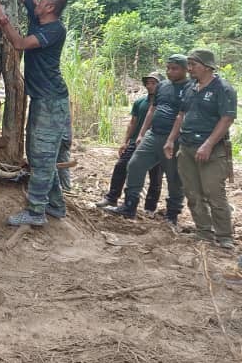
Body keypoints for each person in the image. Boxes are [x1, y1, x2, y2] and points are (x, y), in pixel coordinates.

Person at [0, 0, 70, 227]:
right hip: (42, 99)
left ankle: (36, 213)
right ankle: (56, 206)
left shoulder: (54, 30)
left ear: (49, 8)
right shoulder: (39, 16)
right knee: (39, 154)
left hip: (51, 102)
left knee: (41, 157)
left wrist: (1, 18)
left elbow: (20, 43)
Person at [164, 49, 237, 249]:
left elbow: (227, 118)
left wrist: (208, 144)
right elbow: (181, 115)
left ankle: (224, 236)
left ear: (206, 66)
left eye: (193, 64)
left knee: (214, 192)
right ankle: (203, 231)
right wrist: (171, 140)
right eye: (189, 64)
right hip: (187, 147)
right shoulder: (191, 88)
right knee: (192, 192)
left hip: (211, 149)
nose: (189, 69)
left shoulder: (222, 88)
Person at [106, 56, 190, 224]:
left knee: (173, 176)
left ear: (185, 69)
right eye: (168, 68)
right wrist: (141, 133)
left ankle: (172, 214)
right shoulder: (163, 86)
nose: (170, 71)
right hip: (154, 134)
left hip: (174, 138)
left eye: (175, 68)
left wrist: (172, 139)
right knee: (135, 164)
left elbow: (183, 116)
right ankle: (130, 205)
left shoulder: (190, 88)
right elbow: (152, 109)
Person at [95, 72, 164, 212]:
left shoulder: (165, 104)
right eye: (148, 83)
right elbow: (133, 123)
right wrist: (125, 141)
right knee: (121, 166)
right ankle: (112, 198)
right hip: (136, 141)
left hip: (156, 142)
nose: (150, 86)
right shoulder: (140, 102)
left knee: (155, 175)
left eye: (154, 83)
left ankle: (150, 208)